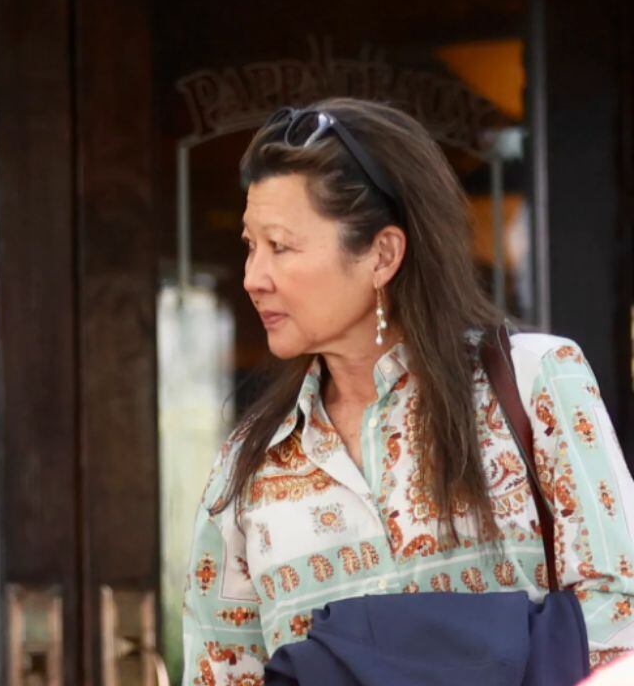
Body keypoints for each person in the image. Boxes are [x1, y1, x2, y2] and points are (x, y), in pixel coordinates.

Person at [182, 97, 634, 685]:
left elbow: (622, 612)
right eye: (250, 245)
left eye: (281, 246)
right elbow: (221, 673)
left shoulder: (536, 382)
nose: (252, 277)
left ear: (382, 253)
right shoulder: (248, 468)